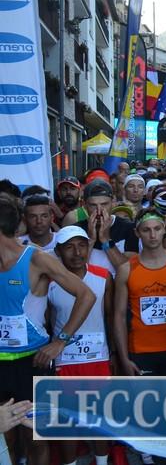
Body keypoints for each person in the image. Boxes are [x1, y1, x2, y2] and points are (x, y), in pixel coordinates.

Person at [0, 194, 96, 465]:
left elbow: (86, 295)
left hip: (32, 362)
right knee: (4, 437)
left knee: (34, 436)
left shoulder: (36, 259)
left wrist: (61, 341)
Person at [48, 226, 113, 465]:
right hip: (65, 361)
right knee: (67, 421)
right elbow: (47, 320)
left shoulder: (103, 276)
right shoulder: (50, 280)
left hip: (98, 359)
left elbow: (109, 316)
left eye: (82, 245)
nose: (77, 252)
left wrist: (113, 354)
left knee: (99, 418)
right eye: (69, 247)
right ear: (58, 251)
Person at [114, 210, 166, 378]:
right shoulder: (126, 270)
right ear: (137, 233)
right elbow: (119, 316)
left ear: (164, 228)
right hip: (141, 352)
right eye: (146, 230)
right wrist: (123, 358)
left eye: (157, 228)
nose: (152, 235)